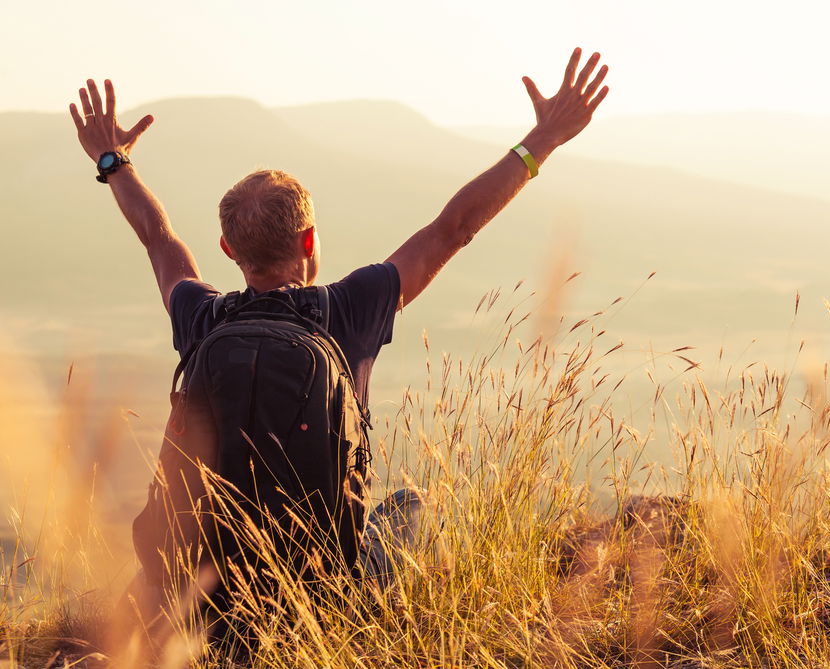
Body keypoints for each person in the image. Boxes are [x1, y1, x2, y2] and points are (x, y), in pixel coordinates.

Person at [69, 47, 610, 644]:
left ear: (227, 251)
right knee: (410, 508)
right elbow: (453, 227)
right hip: (324, 596)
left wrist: (113, 161)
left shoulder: (203, 318)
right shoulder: (350, 308)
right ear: (309, 241)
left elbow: (159, 238)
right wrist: (544, 139)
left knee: (143, 575)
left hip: (205, 591)